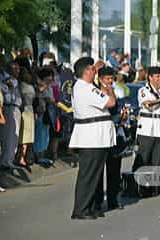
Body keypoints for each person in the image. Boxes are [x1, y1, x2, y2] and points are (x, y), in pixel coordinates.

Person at [69, 57, 116, 220]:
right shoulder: (86, 88)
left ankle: (89, 207)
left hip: (96, 135)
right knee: (88, 174)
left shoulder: (85, 87)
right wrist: (109, 88)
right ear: (85, 71)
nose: (95, 71)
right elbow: (110, 102)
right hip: (92, 136)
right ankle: (81, 209)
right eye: (91, 68)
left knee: (94, 174)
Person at [132, 66, 160, 196]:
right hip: (147, 128)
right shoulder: (144, 90)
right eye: (157, 76)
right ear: (150, 77)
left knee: (158, 159)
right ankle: (136, 186)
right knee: (143, 158)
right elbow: (147, 104)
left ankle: (155, 188)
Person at [94, 66, 126, 212]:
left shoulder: (115, 93)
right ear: (100, 80)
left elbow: (117, 111)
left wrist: (122, 116)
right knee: (98, 172)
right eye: (107, 79)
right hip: (100, 136)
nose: (110, 82)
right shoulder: (96, 93)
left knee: (114, 170)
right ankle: (98, 202)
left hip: (115, 135)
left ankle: (113, 200)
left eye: (112, 79)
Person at [0, 57, 22, 169]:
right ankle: (5, 161)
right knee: (7, 136)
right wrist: (7, 85)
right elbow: (3, 88)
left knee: (14, 136)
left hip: (15, 108)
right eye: (15, 69)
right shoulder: (3, 77)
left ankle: (9, 160)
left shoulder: (12, 79)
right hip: (7, 107)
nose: (17, 71)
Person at [17, 67, 36, 166]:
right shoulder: (20, 85)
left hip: (30, 110)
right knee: (24, 136)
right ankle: (21, 157)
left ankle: (25, 156)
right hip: (24, 110)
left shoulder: (30, 85)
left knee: (29, 136)